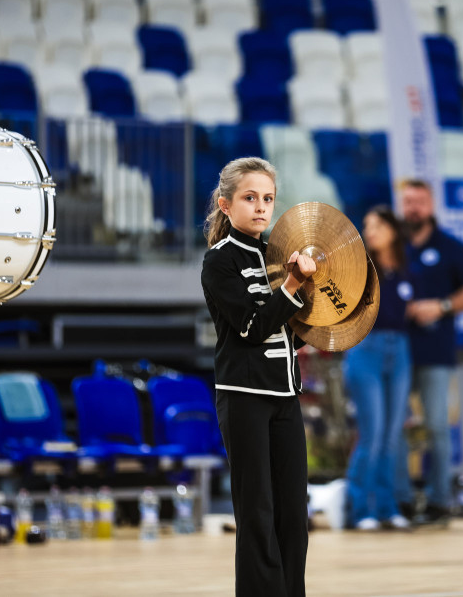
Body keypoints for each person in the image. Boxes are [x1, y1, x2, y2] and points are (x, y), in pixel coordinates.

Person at [200, 156, 316, 597]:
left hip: (285, 397)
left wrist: (317, 301)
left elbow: (290, 337)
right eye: (250, 198)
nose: (262, 207)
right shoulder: (218, 261)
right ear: (225, 205)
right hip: (244, 397)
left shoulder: (277, 257)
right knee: (258, 515)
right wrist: (291, 288)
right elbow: (252, 327)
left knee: (293, 515)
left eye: (268, 198)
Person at [398, 179, 463, 525]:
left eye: (420, 201)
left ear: (431, 205)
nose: (414, 208)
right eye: (408, 202)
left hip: (435, 352)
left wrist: (442, 305)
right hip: (396, 352)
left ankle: (438, 501)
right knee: (396, 429)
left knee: (436, 426)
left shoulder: (450, 247)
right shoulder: (393, 246)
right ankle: (401, 499)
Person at [342, 206, 414, 532]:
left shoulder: (406, 269)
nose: (371, 231)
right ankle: (360, 509)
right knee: (371, 435)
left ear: (393, 231)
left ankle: (387, 506)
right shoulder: (358, 266)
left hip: (399, 349)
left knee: (391, 435)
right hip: (365, 349)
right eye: (367, 225)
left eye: (378, 225)